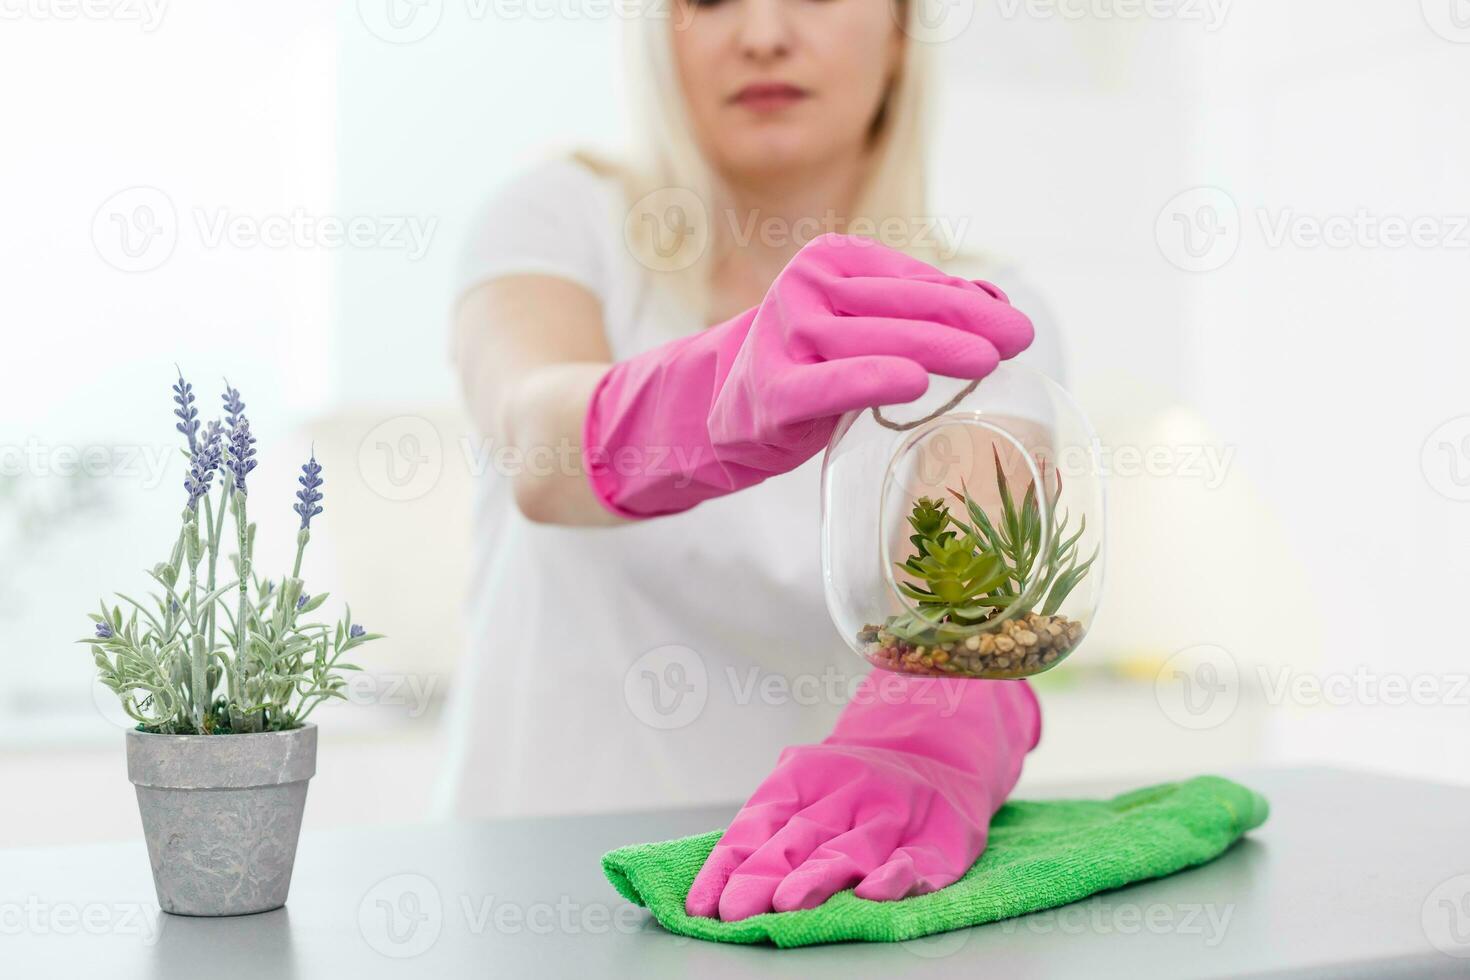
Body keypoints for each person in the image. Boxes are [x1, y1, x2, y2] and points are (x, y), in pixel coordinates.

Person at [442, 0, 1065, 921]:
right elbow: (537, 443)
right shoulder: (559, 215)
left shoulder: (985, 309)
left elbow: (975, 575)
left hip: (813, 898)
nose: (763, 33)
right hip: (528, 893)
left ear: (899, 30)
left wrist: (938, 722)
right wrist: (716, 389)